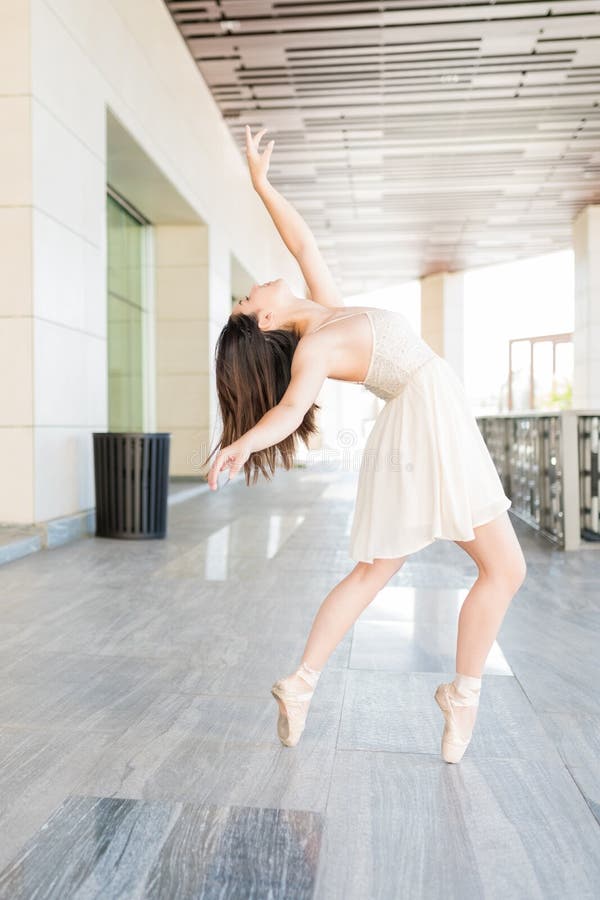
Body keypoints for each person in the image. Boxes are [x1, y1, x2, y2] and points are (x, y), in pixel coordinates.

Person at [202, 126, 527, 764]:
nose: (255, 287)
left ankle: (303, 683)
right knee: (503, 568)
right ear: (264, 319)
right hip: (427, 420)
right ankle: (460, 695)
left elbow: (303, 240)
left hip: (424, 420)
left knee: (381, 568)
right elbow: (292, 408)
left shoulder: (328, 315)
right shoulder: (319, 346)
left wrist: (261, 184)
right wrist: (240, 442)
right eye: (248, 299)